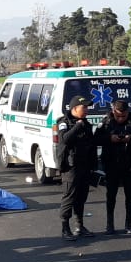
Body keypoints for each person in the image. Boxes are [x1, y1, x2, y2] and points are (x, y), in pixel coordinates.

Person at [93, 99, 131, 234]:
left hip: (130, 163)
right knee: (111, 195)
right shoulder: (106, 121)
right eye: (118, 116)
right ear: (113, 111)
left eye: (123, 116)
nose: (120, 119)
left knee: (130, 195)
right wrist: (109, 138)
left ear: (128, 112)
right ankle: (109, 225)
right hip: (112, 163)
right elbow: (95, 139)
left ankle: (128, 224)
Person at [56, 95, 98, 241]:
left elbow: (91, 145)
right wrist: (77, 126)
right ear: (74, 108)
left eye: (87, 107)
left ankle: (79, 226)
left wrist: (94, 165)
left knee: (81, 197)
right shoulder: (64, 122)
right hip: (71, 167)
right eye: (84, 107)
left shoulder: (86, 123)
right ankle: (65, 228)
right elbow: (64, 139)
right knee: (69, 197)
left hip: (85, 166)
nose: (87, 110)